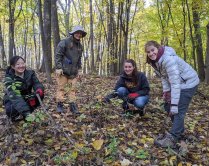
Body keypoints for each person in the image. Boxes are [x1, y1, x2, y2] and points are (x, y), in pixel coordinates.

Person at [145, 40, 199, 148]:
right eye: (148, 52)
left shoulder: (168, 60)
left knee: (177, 110)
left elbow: (175, 83)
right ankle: (180, 132)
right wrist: (166, 92)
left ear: (158, 48)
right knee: (167, 105)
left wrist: (174, 104)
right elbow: (164, 78)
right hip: (178, 84)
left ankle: (173, 138)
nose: (151, 53)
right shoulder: (156, 62)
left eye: (152, 50)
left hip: (188, 83)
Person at [55, 25, 87, 113]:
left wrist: (80, 70)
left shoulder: (80, 46)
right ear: (73, 33)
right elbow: (58, 55)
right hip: (63, 71)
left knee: (71, 89)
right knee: (61, 88)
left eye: (80, 33)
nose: (79, 35)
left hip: (73, 73)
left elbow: (79, 60)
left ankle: (72, 106)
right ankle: (60, 105)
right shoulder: (64, 42)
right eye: (77, 33)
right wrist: (58, 67)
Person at [3, 56, 44, 122]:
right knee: (10, 110)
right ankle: (20, 115)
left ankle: (29, 111)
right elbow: (15, 97)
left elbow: (37, 83)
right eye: (18, 64)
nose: (21, 66)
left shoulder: (30, 73)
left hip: (27, 96)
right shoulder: (9, 79)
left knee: (39, 94)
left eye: (23, 63)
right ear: (13, 66)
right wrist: (26, 113)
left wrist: (39, 89)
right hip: (12, 99)